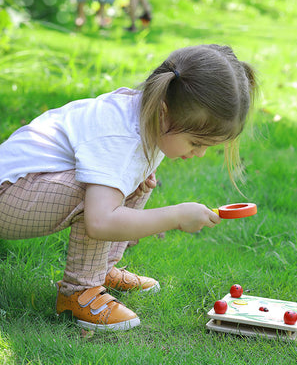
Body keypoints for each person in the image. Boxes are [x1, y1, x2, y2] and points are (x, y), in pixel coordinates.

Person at [0, 44, 258, 331]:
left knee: (137, 181)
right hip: (7, 196)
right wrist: (176, 216)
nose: (198, 153)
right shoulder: (121, 137)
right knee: (98, 199)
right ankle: (79, 292)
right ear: (164, 112)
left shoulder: (146, 114)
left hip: (21, 190)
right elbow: (101, 222)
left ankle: (100, 270)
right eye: (196, 143)